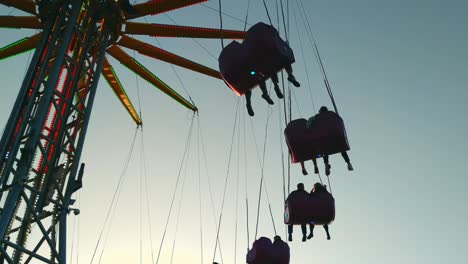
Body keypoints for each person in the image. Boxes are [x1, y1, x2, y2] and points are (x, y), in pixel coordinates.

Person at [305, 106, 354, 176]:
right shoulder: (332, 115)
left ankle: (326, 164)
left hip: (323, 138)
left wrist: (310, 129)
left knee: (324, 150)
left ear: (320, 111)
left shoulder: (316, 117)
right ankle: (348, 163)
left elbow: (308, 124)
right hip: (334, 136)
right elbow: (339, 120)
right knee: (341, 148)